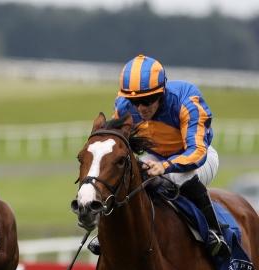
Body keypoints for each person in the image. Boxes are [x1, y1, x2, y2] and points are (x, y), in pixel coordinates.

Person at [88, 54, 229, 259]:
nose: (141, 108)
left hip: (199, 159)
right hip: (156, 156)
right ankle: (107, 232)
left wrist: (166, 166)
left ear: (162, 92)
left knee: (178, 178)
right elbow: (119, 146)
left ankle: (215, 232)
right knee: (124, 176)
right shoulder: (123, 107)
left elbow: (197, 152)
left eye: (147, 100)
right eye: (135, 101)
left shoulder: (186, 99)